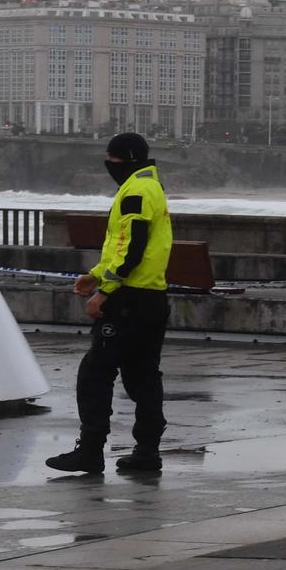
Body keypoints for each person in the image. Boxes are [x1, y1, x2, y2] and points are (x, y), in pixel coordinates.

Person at [45, 133, 174, 475]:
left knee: (95, 372)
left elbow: (132, 250)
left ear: (126, 158)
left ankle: (90, 451)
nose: (109, 165)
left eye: (112, 160)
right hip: (152, 296)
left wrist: (105, 291)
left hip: (128, 299)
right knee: (144, 376)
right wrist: (96, 275)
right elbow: (127, 248)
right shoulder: (151, 186)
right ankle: (147, 453)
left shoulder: (134, 191)